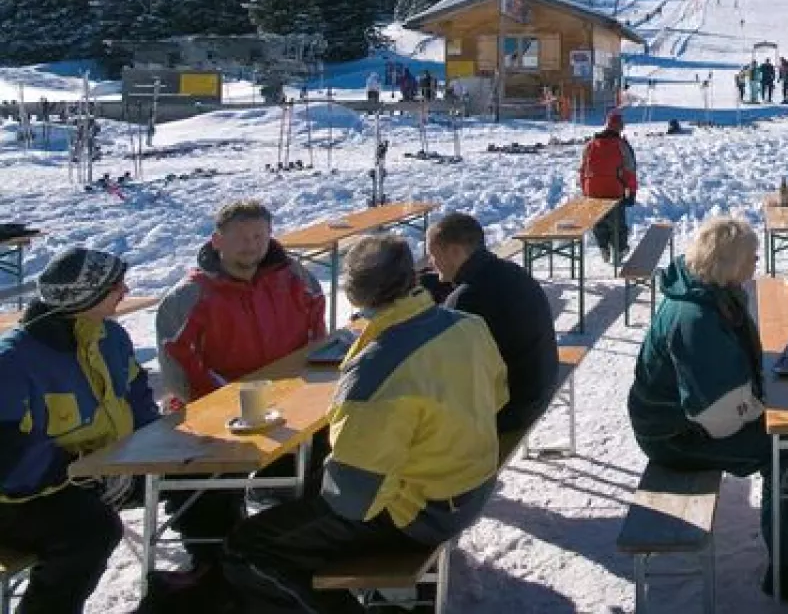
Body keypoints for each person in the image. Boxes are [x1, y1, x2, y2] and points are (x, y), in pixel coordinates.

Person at [222, 235, 506, 613]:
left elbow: (354, 499)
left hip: (421, 513)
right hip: (472, 485)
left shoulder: (376, 370)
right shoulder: (467, 325)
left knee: (249, 547)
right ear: (412, 277)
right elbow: (498, 395)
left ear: (355, 295)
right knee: (310, 492)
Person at [628, 218, 788, 605]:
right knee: (784, 447)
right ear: (728, 262)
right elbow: (716, 412)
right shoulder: (694, 318)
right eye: (751, 256)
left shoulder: (711, 292)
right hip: (674, 435)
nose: (757, 261)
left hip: (693, 418)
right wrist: (766, 408)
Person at [155, 201, 327, 577]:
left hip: (291, 405)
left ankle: (301, 540)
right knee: (193, 479)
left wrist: (300, 393)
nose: (251, 246)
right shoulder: (189, 297)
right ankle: (214, 561)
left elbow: (317, 339)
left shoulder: (297, 278)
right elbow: (179, 368)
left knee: (332, 445)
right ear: (217, 241)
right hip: (213, 413)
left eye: (259, 237)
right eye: (242, 239)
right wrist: (226, 405)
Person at [0, 247, 159, 614]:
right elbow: (8, 460)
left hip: (99, 469)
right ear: (87, 296)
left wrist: (155, 446)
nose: (126, 290)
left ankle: (209, 576)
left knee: (197, 469)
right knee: (92, 531)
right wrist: (80, 473)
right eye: (116, 285)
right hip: (24, 497)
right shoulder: (15, 361)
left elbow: (136, 394)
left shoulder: (111, 337)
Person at [423, 213, 559, 433]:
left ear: (455, 251)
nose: (430, 262)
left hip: (513, 409)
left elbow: (446, 369)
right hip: (541, 386)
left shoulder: (466, 300)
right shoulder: (508, 271)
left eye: (432, 254)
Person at [580, 111, 638, 264]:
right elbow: (630, 170)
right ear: (620, 127)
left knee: (599, 220)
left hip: (591, 190)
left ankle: (603, 246)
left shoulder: (591, 144)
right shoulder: (621, 145)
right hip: (612, 190)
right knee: (617, 221)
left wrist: (585, 191)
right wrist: (631, 192)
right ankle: (620, 249)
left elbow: (583, 169)